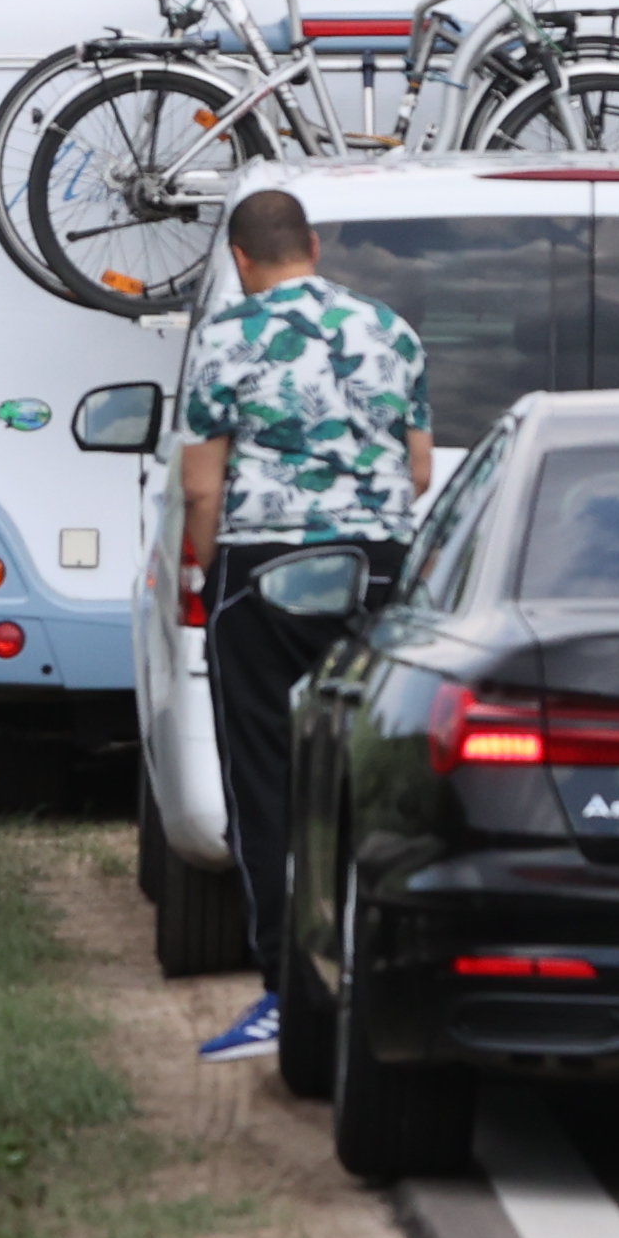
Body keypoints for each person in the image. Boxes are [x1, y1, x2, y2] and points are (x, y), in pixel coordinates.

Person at [171, 186, 430, 1063]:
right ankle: (380, 971)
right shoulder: (391, 331)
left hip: (268, 566)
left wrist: (216, 579)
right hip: (382, 566)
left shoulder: (226, 338)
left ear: (242, 260)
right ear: (313, 246)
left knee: (267, 780)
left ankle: (288, 993)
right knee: (369, 767)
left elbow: (201, 485)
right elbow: (420, 469)